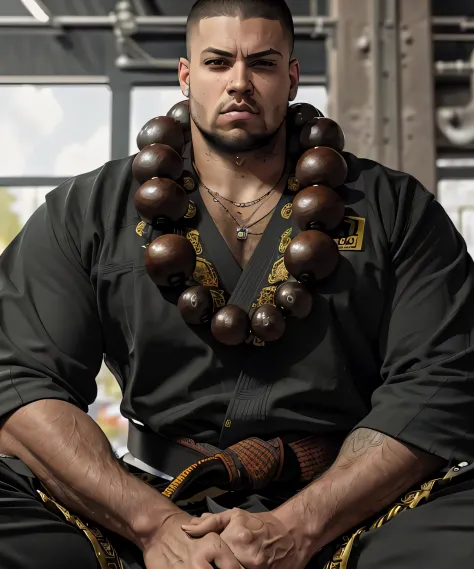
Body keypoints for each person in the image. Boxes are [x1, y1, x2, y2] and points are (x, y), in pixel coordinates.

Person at [1, 0, 474, 568]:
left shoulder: (394, 208)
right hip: (144, 497)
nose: (240, 83)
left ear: (293, 77)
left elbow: (442, 378)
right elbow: (20, 375)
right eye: (218, 62)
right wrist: (155, 526)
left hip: (350, 503)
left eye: (263, 64)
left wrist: (299, 527)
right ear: (185, 74)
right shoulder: (89, 209)